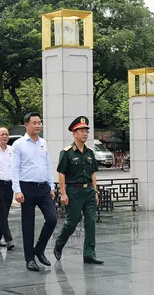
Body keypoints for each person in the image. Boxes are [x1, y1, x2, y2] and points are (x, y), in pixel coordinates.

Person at [53, 117, 103, 265]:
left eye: (86, 131)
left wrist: (95, 191)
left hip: (88, 192)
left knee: (91, 222)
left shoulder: (89, 152)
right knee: (72, 222)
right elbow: (61, 173)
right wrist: (63, 193)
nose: (85, 134)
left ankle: (89, 254)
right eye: (81, 131)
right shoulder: (67, 152)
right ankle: (59, 244)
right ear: (74, 134)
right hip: (73, 192)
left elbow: (93, 173)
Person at [12, 111, 57, 272]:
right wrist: (17, 190)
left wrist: (51, 186)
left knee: (52, 219)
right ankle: (29, 259)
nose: (38, 125)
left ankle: (39, 249)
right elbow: (15, 169)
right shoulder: (19, 144)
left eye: (39, 122)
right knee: (28, 225)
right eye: (35, 123)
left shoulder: (43, 142)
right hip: (27, 188)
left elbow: (47, 165)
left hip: (44, 187)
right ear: (26, 125)